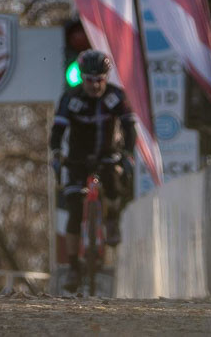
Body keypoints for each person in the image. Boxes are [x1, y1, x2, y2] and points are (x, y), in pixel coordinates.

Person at [49, 49, 136, 293]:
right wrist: (56, 155)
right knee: (74, 209)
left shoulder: (117, 96)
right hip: (77, 157)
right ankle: (74, 266)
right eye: (89, 80)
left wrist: (128, 154)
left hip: (108, 153)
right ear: (82, 78)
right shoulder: (70, 98)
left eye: (100, 80)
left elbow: (130, 128)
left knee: (114, 180)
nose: (95, 85)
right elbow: (57, 132)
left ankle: (111, 220)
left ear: (107, 78)